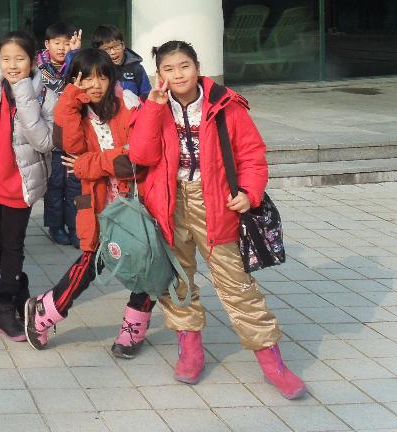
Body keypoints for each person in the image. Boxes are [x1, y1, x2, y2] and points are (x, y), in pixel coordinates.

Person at [129, 40, 306, 398]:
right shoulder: (154, 105)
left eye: (184, 66)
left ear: (197, 67)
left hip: (216, 203)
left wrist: (250, 192)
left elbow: (252, 155)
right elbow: (141, 154)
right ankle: (190, 351)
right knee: (177, 280)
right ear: (159, 74)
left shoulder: (225, 106)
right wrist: (153, 107)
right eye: (169, 69)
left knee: (237, 284)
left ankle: (272, 362)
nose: (178, 75)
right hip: (168, 203)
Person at [25, 49, 152, 357]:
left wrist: (90, 164)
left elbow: (136, 160)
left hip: (138, 200)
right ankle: (45, 311)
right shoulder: (77, 112)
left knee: (148, 261)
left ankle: (133, 329)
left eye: (102, 77)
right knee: (92, 261)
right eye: (87, 78)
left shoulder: (129, 104)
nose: (95, 85)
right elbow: (70, 147)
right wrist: (70, 98)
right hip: (97, 202)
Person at [0, 33, 55, 341]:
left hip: (21, 184)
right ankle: (20, 292)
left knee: (13, 248)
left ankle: (3, 308)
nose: (12, 65)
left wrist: (24, 92)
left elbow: (44, 142)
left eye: (19, 59)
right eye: (6, 59)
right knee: (2, 246)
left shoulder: (46, 95)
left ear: (33, 61)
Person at [38, 21, 81, 246]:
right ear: (47, 44)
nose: (62, 48)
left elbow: (77, 79)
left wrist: (75, 54)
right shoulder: (38, 70)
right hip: (51, 136)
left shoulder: (77, 66)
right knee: (54, 184)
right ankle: (55, 226)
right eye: (57, 43)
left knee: (76, 184)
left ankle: (76, 226)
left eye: (67, 43)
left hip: (75, 136)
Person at [92, 24, 152, 99]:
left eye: (116, 46)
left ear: (123, 45)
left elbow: (147, 95)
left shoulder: (137, 69)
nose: (113, 52)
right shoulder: (95, 69)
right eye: (106, 49)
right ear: (98, 51)